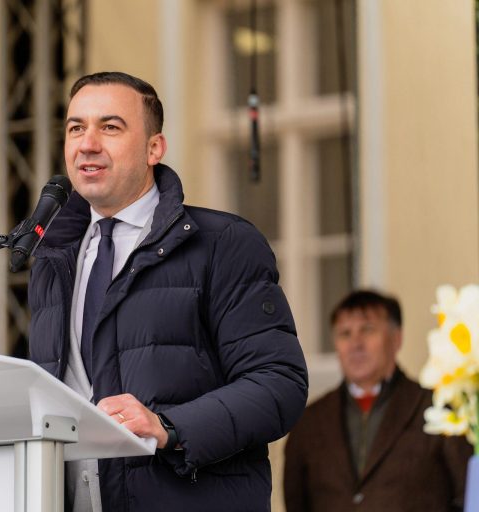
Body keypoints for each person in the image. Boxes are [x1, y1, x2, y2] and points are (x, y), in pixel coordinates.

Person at [26, 71, 308, 511]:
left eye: (110, 127)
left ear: (154, 148)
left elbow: (279, 384)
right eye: (76, 128)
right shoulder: (52, 260)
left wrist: (169, 426)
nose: (88, 143)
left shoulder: (223, 243)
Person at [283, 289, 473, 511]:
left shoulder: (438, 407)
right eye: (345, 333)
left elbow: (467, 494)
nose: (355, 343)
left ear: (396, 339)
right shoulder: (309, 421)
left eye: (367, 329)